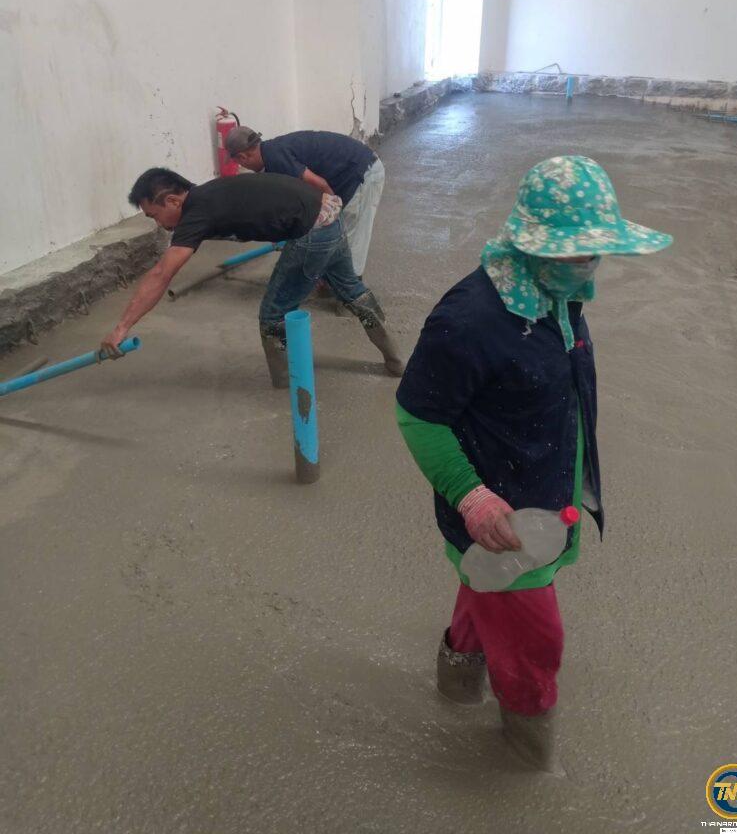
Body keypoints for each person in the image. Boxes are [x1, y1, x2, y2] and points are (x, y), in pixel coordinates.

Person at [395, 155, 672, 772]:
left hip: (542, 498)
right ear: (530, 243)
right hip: (503, 521)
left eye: (596, 251)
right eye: (576, 253)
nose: (590, 264)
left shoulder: (557, 295)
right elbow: (417, 416)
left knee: (482, 591)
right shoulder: (470, 319)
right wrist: (472, 497)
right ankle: (528, 758)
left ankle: (457, 684)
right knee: (534, 647)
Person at [100, 168, 403, 385]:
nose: (157, 224)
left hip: (311, 231)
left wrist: (121, 327)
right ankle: (396, 360)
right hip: (329, 216)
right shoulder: (209, 194)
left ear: (172, 201)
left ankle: (287, 385)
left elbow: (161, 274)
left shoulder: (197, 211)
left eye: (153, 215)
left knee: (273, 315)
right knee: (351, 289)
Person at [224, 127, 385, 277]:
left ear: (243, 157)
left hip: (362, 172)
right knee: (333, 235)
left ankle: (352, 289)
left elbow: (320, 185)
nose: (241, 166)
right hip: (349, 170)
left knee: (349, 239)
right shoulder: (270, 153)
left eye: (238, 163)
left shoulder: (275, 158)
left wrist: (333, 217)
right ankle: (334, 280)